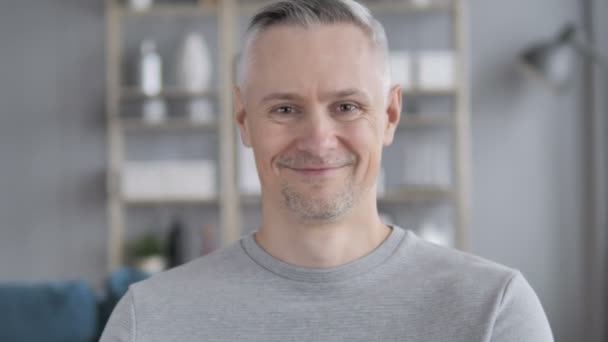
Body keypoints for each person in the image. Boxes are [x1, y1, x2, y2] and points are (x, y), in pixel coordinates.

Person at [100, 0, 554, 341]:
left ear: (391, 115)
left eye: (346, 106)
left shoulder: (493, 312)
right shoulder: (150, 320)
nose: (318, 140)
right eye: (284, 108)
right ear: (243, 119)